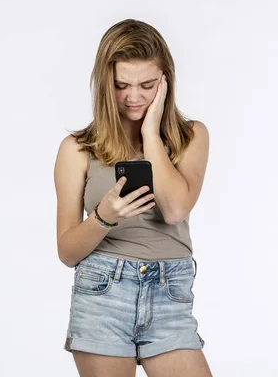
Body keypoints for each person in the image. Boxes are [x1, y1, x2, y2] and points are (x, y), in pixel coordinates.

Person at [53, 19, 212, 377]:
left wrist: (151, 134)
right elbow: (67, 252)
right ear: (104, 84)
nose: (134, 97)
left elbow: (174, 210)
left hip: (170, 295)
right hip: (104, 292)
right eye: (121, 85)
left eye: (147, 85)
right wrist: (103, 216)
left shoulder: (191, 138)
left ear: (166, 82)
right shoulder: (77, 150)